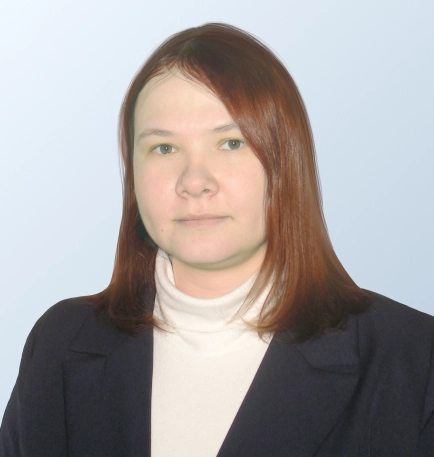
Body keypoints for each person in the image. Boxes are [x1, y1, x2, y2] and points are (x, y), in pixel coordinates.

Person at [1, 23, 433, 457]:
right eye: (164, 148)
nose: (194, 182)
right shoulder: (59, 344)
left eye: (230, 143)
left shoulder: (412, 358)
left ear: (286, 163)